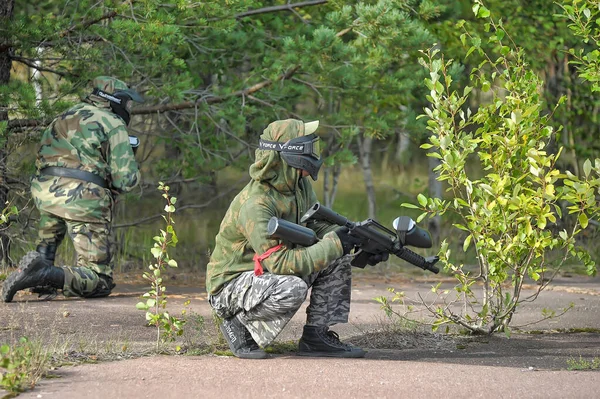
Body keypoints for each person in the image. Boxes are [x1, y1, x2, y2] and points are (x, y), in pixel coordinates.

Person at [206, 118, 388, 359]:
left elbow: (314, 225)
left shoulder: (297, 185)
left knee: (337, 258)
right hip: (230, 286)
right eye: (307, 146)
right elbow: (279, 264)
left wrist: (354, 241)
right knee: (293, 288)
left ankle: (316, 337)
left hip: (264, 277)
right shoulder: (256, 203)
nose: (314, 152)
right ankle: (237, 323)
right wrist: (335, 244)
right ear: (291, 154)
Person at [2, 76, 143, 302]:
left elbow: (42, 158)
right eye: (127, 103)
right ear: (114, 100)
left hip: (45, 193)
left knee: (47, 244)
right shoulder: (113, 123)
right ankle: (43, 274)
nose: (129, 109)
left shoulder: (63, 116)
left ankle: (40, 275)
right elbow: (126, 179)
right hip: (82, 197)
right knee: (100, 280)